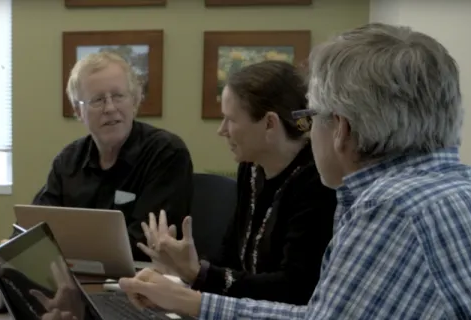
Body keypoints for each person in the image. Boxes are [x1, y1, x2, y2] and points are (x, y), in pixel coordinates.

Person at [120, 23, 471, 320]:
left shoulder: (395, 217)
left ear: (340, 128)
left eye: (309, 117)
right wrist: (197, 303)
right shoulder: (463, 196)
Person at [140, 61, 336, 305]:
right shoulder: (251, 167)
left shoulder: (318, 184)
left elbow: (294, 289)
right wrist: (182, 269)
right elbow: (231, 257)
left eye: (230, 119)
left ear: (269, 124)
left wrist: (198, 273)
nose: (222, 130)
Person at [29, 51, 193, 260]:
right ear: (79, 112)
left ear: (134, 101)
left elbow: (146, 243)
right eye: (97, 100)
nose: (110, 108)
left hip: (144, 279)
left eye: (118, 96)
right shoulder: (68, 161)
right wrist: (20, 243)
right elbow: (37, 223)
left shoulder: (166, 152)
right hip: (75, 276)